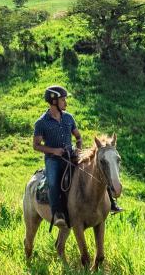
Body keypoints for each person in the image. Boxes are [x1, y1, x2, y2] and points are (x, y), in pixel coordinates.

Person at [33, 86, 123, 227]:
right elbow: (36, 145)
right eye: (63, 100)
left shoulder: (69, 118)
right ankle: (58, 214)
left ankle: (111, 203)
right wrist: (54, 150)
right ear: (53, 101)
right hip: (53, 160)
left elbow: (78, 137)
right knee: (53, 182)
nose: (66, 103)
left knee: (95, 172)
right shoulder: (41, 123)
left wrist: (79, 149)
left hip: (71, 155)